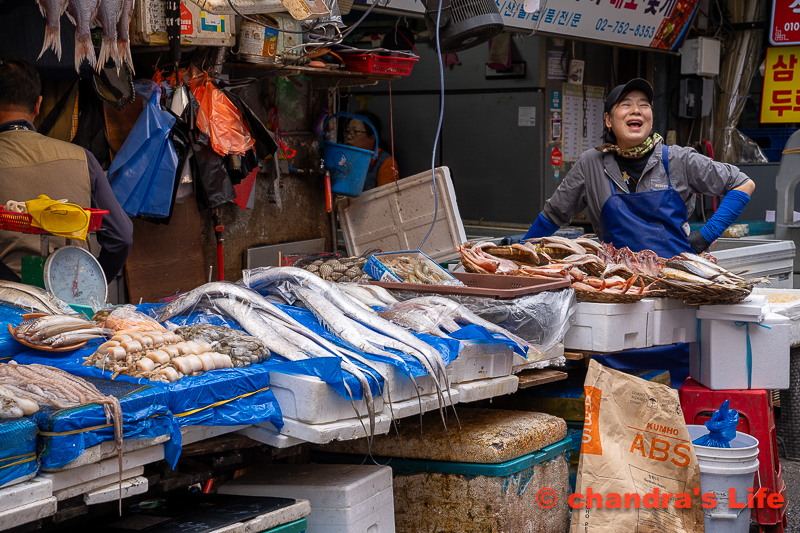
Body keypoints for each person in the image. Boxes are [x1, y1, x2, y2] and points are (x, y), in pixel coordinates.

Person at [523, 78, 755, 257]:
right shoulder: (590, 163)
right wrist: (520, 254)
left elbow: (743, 183)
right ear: (608, 120)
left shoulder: (679, 159)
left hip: (675, 280)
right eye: (626, 105)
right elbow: (552, 216)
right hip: (616, 285)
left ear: (650, 117)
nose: (636, 110)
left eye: (643, 105)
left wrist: (706, 235)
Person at [0, 58, 133, 282]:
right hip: (71, 303)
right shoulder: (83, 158)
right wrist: (89, 286)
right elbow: (122, 237)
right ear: (38, 105)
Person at [343, 111, 399, 192]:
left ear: (373, 137)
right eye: (348, 132)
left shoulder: (386, 163)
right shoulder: (342, 157)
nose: (349, 137)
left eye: (356, 132)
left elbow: (386, 197)